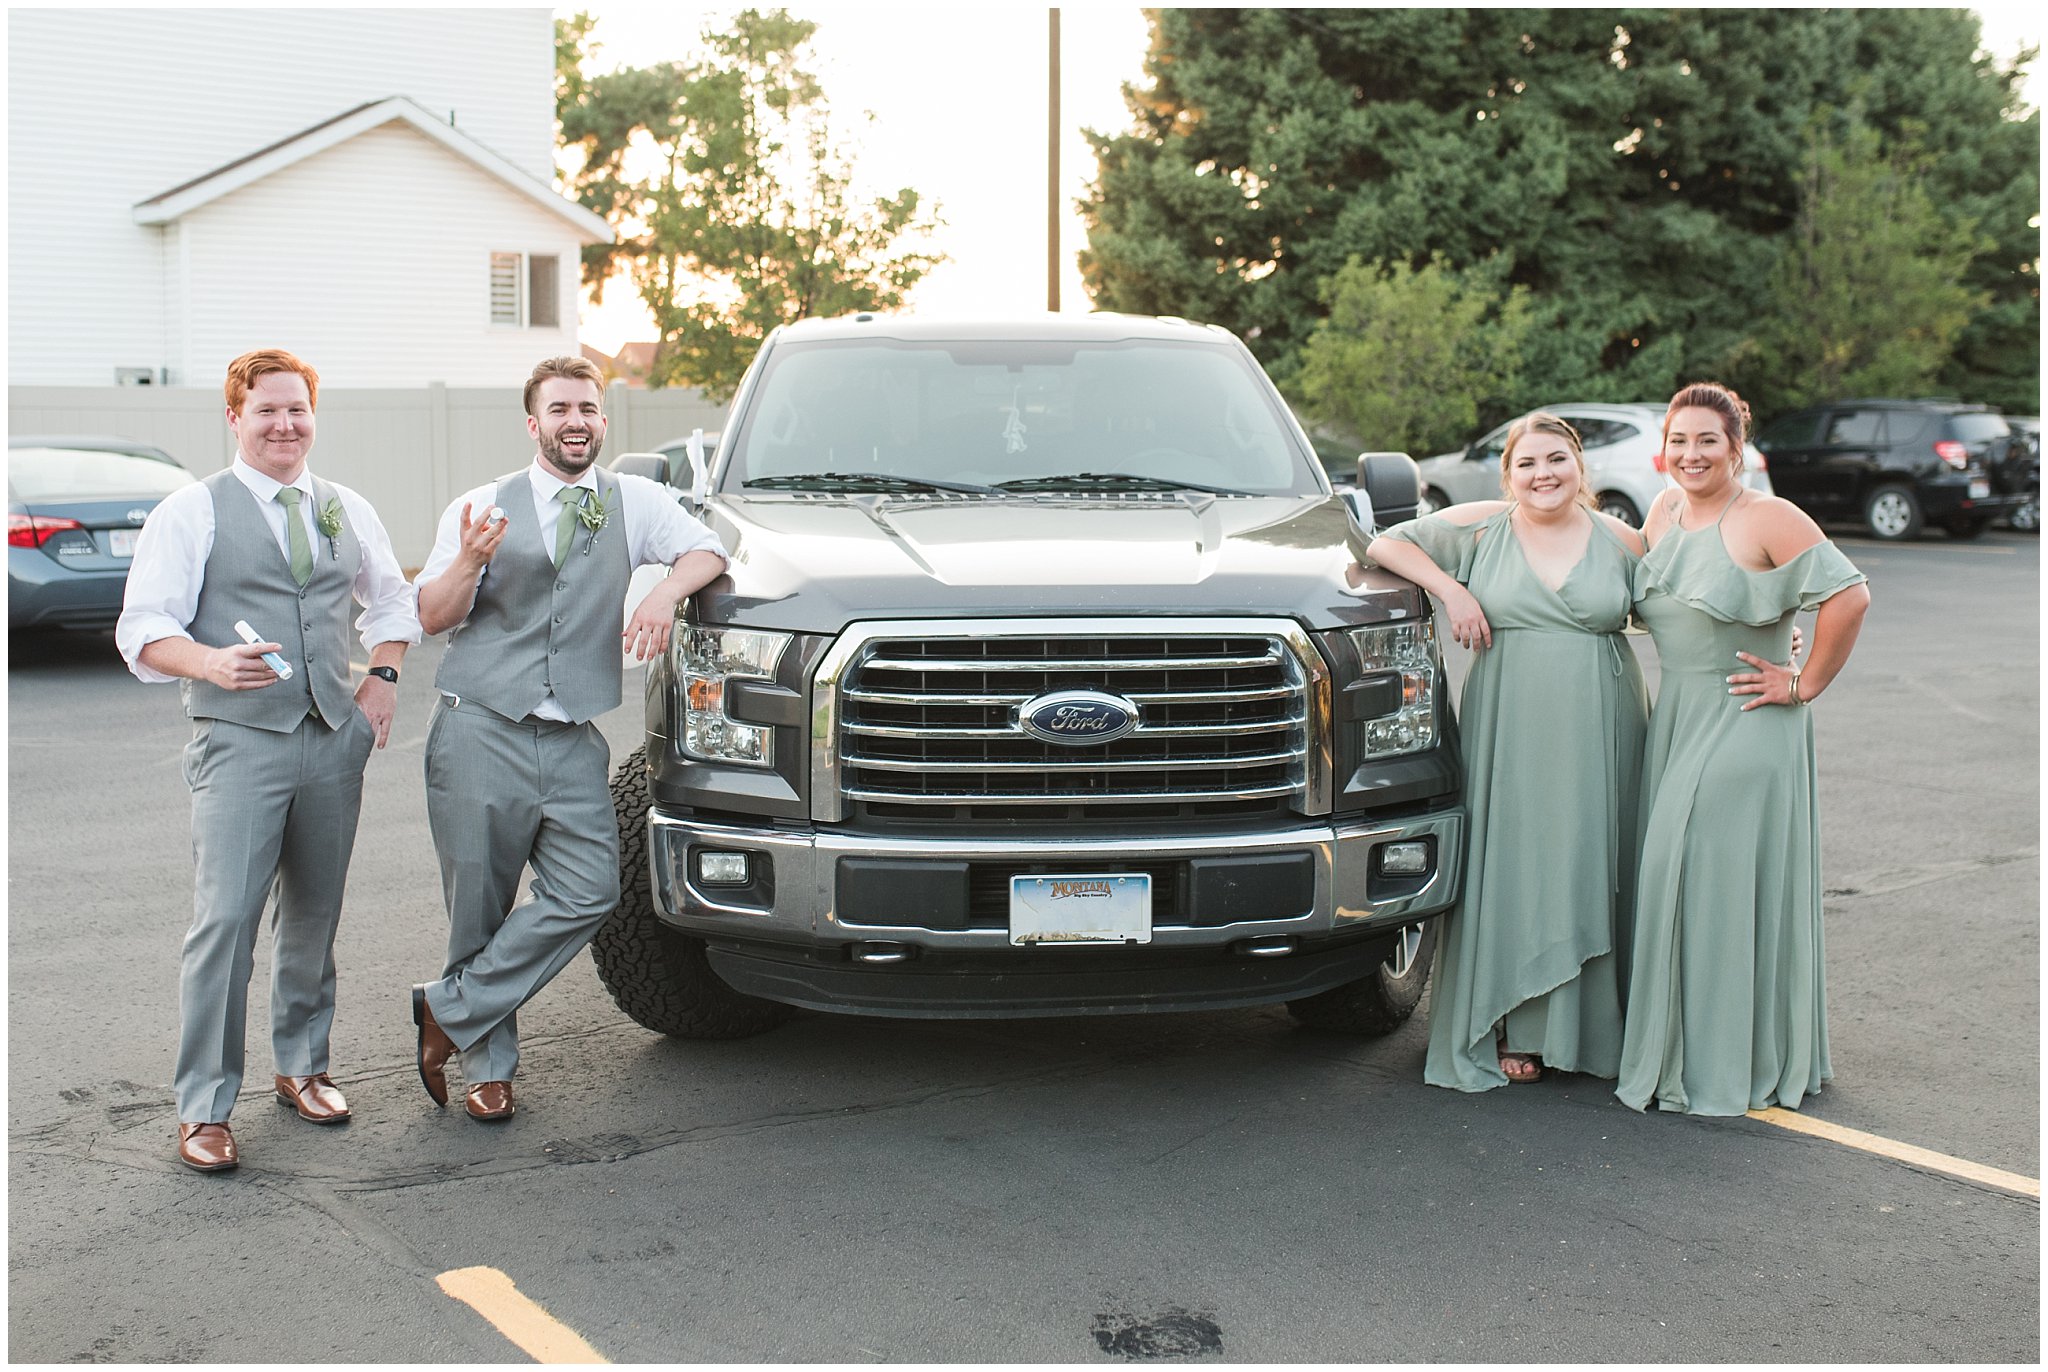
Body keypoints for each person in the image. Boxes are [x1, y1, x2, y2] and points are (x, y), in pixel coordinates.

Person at [118, 348, 419, 1172]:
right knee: (225, 925)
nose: (285, 425)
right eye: (267, 411)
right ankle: (205, 1107)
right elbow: (142, 626)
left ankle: (303, 1066)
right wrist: (211, 662)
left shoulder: (343, 506)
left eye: (297, 410)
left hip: (332, 737)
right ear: (234, 418)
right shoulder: (193, 511)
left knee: (315, 915)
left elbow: (390, 599)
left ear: (312, 416)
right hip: (239, 742)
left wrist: (382, 678)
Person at [409, 356, 727, 1121]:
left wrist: (662, 592)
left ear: (603, 421)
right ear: (534, 424)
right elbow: (430, 616)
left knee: (592, 889)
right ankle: (490, 1069)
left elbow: (710, 550)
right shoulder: (482, 504)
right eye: (559, 409)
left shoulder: (636, 500)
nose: (575, 420)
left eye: (587, 407)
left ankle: (447, 1011)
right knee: (477, 908)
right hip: (479, 724)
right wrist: (468, 562)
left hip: (571, 736)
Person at [1368, 413, 1649, 1090]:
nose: (1542, 474)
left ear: (1580, 467)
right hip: (1509, 724)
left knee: (1590, 858)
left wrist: (1779, 640)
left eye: (1557, 460)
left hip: (1602, 721)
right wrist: (1452, 589)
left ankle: (1586, 1030)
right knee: (1517, 864)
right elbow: (1384, 546)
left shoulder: (1620, 537)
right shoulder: (1481, 526)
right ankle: (1513, 1025)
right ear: (1508, 473)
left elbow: (1689, 598)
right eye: (1527, 464)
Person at [1616, 382, 1870, 1116]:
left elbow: (1849, 595)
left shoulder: (1768, 515)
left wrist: (1802, 682)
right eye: (1680, 441)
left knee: (1700, 869)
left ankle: (1727, 1058)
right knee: (1681, 880)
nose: (1691, 454)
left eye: (1707, 441)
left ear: (1737, 448)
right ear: (1663, 450)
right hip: (1679, 716)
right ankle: (1689, 1047)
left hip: (1749, 716)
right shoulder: (1661, 512)